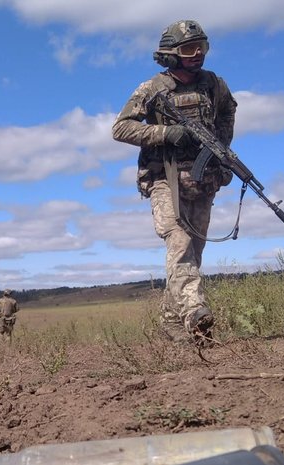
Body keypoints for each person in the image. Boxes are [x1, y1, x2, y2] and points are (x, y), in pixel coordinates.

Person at [111, 19, 237, 346]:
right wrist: (166, 133)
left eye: (202, 47)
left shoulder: (214, 85)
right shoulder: (153, 88)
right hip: (164, 179)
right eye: (188, 49)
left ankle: (172, 324)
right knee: (179, 243)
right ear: (171, 54)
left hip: (201, 179)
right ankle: (196, 312)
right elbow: (121, 128)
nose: (197, 55)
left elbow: (227, 112)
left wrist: (219, 147)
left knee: (193, 251)